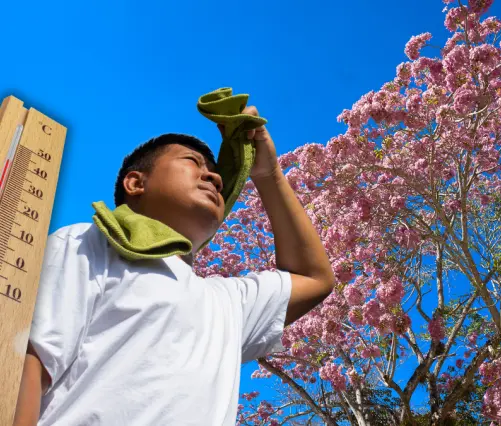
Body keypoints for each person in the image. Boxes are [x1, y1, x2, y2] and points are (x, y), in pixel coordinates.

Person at [13, 105, 336, 425]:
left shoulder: (228, 302)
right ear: (136, 184)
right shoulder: (89, 243)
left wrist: (268, 173)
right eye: (192, 163)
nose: (212, 176)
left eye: (219, 179)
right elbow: (31, 361)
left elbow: (314, 277)